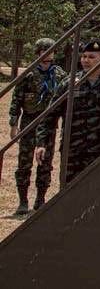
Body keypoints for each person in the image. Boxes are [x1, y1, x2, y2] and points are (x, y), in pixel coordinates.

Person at [35, 40, 100, 186]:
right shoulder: (69, 83)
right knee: (69, 191)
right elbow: (50, 115)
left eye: (91, 57)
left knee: (98, 191)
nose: (86, 60)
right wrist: (41, 143)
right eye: (84, 56)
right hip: (72, 151)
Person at [8, 38, 65, 214]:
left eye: (51, 51)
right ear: (38, 52)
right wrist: (13, 124)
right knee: (24, 163)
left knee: (45, 163)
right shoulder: (28, 75)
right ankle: (23, 201)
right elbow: (16, 100)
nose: (48, 55)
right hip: (29, 122)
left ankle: (40, 199)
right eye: (45, 51)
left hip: (48, 124)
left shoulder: (59, 75)